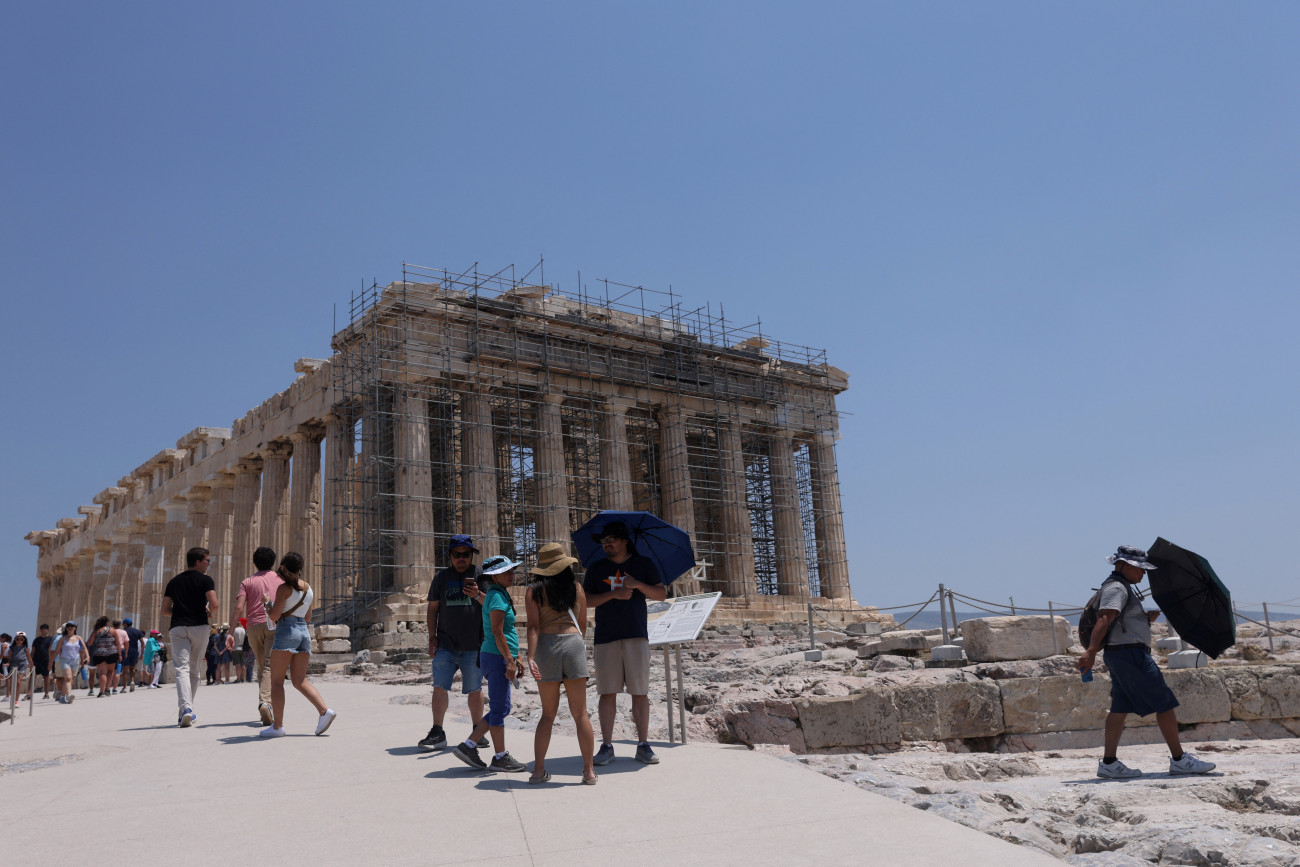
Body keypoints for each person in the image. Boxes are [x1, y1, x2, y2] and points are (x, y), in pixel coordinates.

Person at [1078, 545, 1217, 779]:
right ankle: (1179, 759)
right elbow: (1104, 618)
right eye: (1139, 569)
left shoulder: (1121, 588)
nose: (1143, 574)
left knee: (1120, 707)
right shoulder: (1117, 588)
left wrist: (1143, 619)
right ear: (1123, 565)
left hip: (1121, 654)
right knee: (1164, 702)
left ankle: (1109, 763)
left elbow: (1118, 622)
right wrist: (1090, 652)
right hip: (1130, 655)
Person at [583, 520, 667, 766]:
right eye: (603, 541)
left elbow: (661, 594)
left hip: (636, 634)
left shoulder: (643, 564)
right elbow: (586, 600)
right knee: (607, 692)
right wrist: (614, 594)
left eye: (611, 539)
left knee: (639, 692)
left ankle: (643, 744)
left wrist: (638, 584)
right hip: (606, 636)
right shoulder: (596, 568)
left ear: (624, 541)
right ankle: (607, 745)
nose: (606, 544)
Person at [525, 543, 597, 785]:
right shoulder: (577, 588)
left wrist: (530, 657)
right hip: (573, 642)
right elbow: (584, 624)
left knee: (547, 714)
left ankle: (538, 771)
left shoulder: (533, 591)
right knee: (581, 713)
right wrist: (576, 645)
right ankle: (588, 772)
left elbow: (533, 627)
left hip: (546, 645)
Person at [451, 556, 526, 773]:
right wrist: (510, 660)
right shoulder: (497, 596)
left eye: (512, 570)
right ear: (495, 576)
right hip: (497, 657)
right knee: (500, 708)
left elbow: (498, 621)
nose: (512, 574)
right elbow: (497, 631)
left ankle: (470, 745)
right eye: (507, 571)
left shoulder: (497, 594)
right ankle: (498, 756)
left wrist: (514, 656)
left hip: (497, 655)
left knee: (501, 707)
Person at [418, 534, 488, 752]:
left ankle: (478, 732)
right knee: (439, 687)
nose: (461, 559)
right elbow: (433, 609)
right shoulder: (441, 577)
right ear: (450, 556)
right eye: (457, 555)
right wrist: (431, 637)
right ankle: (437, 732)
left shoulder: (480, 574)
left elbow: (492, 604)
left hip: (473, 644)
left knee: (475, 690)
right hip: (445, 643)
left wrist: (477, 595)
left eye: (466, 555)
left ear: (471, 555)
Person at [260, 551, 336, 738]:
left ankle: (277, 727)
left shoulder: (284, 589)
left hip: (287, 631)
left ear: (285, 568)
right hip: (303, 632)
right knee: (300, 680)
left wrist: (267, 605)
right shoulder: (308, 589)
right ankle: (324, 711)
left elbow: (275, 617)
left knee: (277, 681)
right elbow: (308, 616)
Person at [162, 546, 220, 727]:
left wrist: (180, 612)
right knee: (194, 670)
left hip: (178, 627)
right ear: (197, 561)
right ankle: (187, 708)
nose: (208, 564)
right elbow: (215, 604)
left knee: (181, 669)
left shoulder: (174, 581)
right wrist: (208, 614)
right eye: (207, 561)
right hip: (199, 627)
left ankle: (185, 710)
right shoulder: (205, 580)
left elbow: (164, 610)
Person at [234, 546, 282, 725]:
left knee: (262, 666)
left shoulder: (247, 581)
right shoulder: (280, 579)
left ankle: (265, 704)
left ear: (255, 562)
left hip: (253, 626)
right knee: (269, 665)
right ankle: (265, 703)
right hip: (273, 623)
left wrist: (230, 631)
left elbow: (239, 607)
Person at [51, 622, 88, 703]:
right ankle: (68, 695)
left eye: (71, 626)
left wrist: (86, 657)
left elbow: (83, 649)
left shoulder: (79, 638)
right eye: (68, 626)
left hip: (75, 661)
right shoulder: (63, 639)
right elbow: (56, 651)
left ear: (75, 628)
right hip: (65, 660)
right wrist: (51, 662)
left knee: (69, 679)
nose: (69, 627)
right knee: (68, 678)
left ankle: (62, 698)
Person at [88, 616, 120, 697]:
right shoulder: (113, 630)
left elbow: (90, 643)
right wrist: (120, 654)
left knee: (102, 673)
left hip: (99, 654)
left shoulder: (96, 631)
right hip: (112, 653)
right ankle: (107, 690)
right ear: (107, 622)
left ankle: (101, 692)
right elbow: (118, 643)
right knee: (110, 672)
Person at [5, 632, 34, 702]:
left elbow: (29, 657)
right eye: (17, 639)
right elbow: (10, 657)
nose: (19, 641)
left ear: (24, 640)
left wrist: (32, 666)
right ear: (15, 640)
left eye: (21, 639)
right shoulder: (12, 648)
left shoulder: (26, 648)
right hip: (13, 665)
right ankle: (12, 697)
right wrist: (8, 663)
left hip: (22, 665)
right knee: (12, 683)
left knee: (18, 682)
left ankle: (16, 700)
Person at [31, 624, 53, 699]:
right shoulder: (36, 640)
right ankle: (29, 693)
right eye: (42, 628)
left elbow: (51, 650)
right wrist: (30, 661)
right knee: (32, 677)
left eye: (45, 628)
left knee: (46, 677)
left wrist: (51, 661)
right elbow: (33, 651)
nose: (43, 630)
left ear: (48, 630)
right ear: (40, 630)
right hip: (36, 660)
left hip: (45, 660)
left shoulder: (51, 639)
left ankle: (46, 694)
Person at [121, 618, 144, 692]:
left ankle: (124, 687)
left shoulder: (124, 631)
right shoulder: (137, 631)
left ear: (125, 624)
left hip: (126, 652)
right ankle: (132, 681)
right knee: (132, 668)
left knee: (125, 670)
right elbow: (142, 643)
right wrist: (142, 653)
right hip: (135, 652)